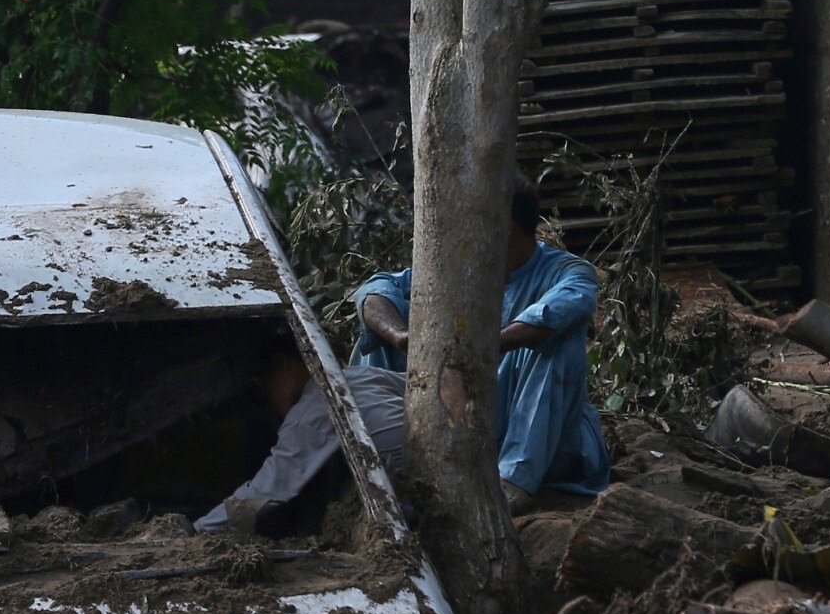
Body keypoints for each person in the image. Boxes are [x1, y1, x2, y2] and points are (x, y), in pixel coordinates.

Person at [349, 173, 608, 516]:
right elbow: (375, 288)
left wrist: (479, 350)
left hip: (551, 442)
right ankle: (377, 455)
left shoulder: (571, 272)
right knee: (390, 321)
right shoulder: (459, 266)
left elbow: (559, 310)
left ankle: (514, 482)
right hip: (469, 423)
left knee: (556, 336)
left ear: (505, 228)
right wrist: (403, 337)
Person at [197, 338, 405, 535]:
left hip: (413, 497)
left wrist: (201, 529)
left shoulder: (310, 412)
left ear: (282, 364)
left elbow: (267, 493)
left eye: (264, 387)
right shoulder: (362, 374)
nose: (268, 401)